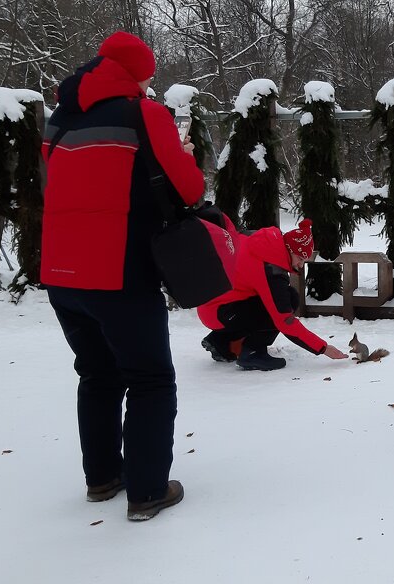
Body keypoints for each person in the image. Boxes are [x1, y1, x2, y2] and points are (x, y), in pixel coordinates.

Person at [41, 31, 203, 521]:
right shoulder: (145, 115)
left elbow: (60, 188)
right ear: (137, 73)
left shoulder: (61, 119)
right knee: (151, 378)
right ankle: (148, 491)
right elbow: (189, 189)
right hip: (119, 271)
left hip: (61, 272)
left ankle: (103, 478)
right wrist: (185, 154)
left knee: (97, 374)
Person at [197, 218, 349, 370]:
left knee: (271, 301)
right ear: (289, 249)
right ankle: (253, 353)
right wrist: (323, 348)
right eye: (300, 258)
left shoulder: (260, 240)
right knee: (288, 300)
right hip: (220, 311)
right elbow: (285, 321)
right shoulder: (272, 271)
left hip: (210, 305)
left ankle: (221, 342)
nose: (300, 265)